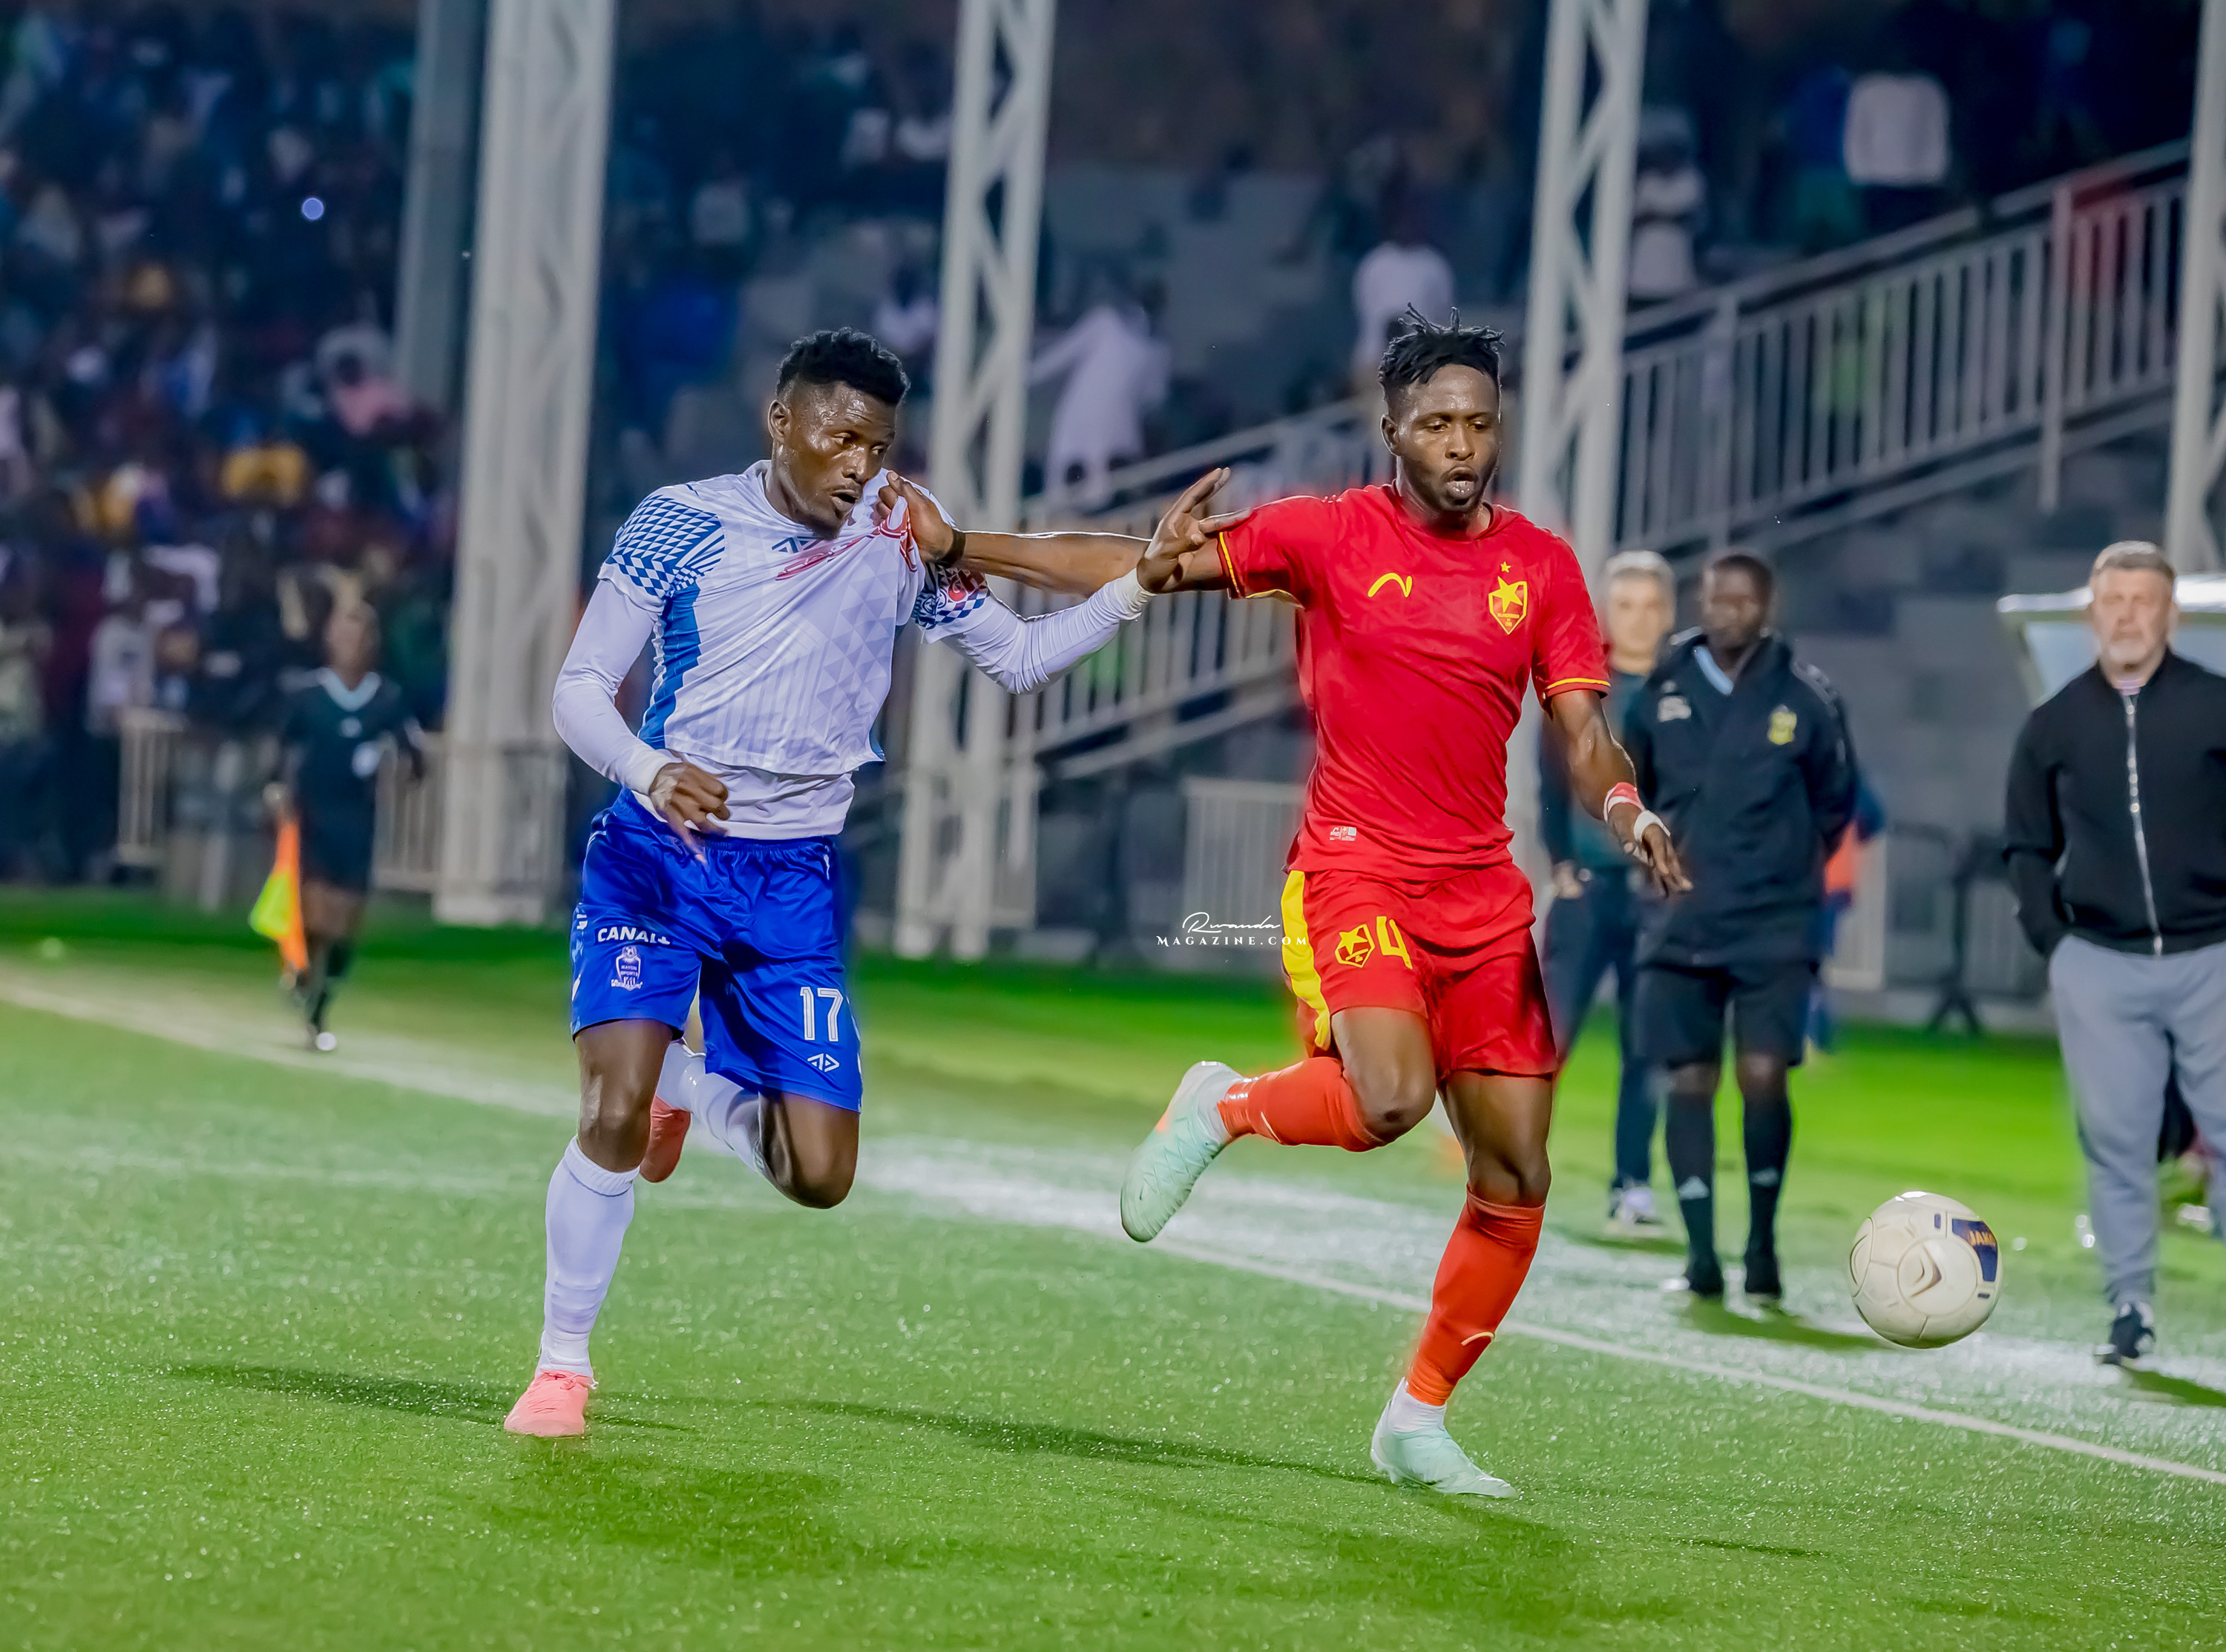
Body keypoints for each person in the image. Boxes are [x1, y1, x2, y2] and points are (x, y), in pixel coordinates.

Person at [504, 328, 1218, 1438]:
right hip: (659, 853)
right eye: (840, 438)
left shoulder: (897, 530)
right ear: (780, 422)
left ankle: (693, 1087)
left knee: (820, 1173)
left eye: (877, 445)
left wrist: (1133, 589)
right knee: (609, 1107)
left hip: (792, 878)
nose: (858, 464)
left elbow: (1021, 658)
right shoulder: (679, 521)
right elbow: (580, 688)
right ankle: (562, 1367)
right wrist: (649, 769)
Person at [1115, 313, 1687, 1499]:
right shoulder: (1327, 534)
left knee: (1517, 1173)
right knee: (1388, 1096)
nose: (1462, 442)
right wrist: (967, 547)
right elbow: (1143, 566)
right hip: (1357, 865)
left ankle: (1415, 1419)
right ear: (1391, 430)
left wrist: (1628, 807)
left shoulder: (1541, 566)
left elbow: (1583, 734)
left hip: (1483, 892)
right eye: (1437, 423)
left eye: (1480, 421)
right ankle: (1225, 1103)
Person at [2003, 542, 2226, 1366]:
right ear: (2092, 612)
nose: (2128, 615)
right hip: (2098, 961)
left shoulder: (2216, 706)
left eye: (2144, 600)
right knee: (2117, 1143)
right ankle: (2130, 1307)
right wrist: (2056, 944)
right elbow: (2026, 845)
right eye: (2113, 600)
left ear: (2172, 614)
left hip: (2213, 955)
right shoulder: (2054, 723)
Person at [1624, 553, 1856, 1303]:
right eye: (1718, 598)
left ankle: (1762, 1244)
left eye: (1744, 600)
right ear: (1702, 600)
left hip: (1773, 922)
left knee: (1762, 1076)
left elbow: (1835, 800)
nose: (1728, 611)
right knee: (1688, 1077)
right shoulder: (1663, 687)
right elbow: (1631, 785)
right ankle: (1701, 1255)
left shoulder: (1808, 696)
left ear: (1767, 607)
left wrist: (1781, 864)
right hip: (1680, 917)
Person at [1540, 549, 1675, 1232]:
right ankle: (1509, 1170)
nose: (1639, 618)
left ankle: (1632, 1185)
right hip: (1587, 892)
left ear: (1669, 613)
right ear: (1606, 612)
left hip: (1654, 900)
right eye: (1625, 605)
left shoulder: (1686, 692)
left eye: (1651, 606)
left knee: (1645, 1049)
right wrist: (1561, 861)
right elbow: (1550, 777)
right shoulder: (1580, 683)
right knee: (1545, 1039)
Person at [276, 601, 424, 1051]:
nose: (348, 644)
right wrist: (277, 789)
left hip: (358, 820)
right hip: (315, 814)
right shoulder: (309, 695)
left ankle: (318, 997)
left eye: (357, 636)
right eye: (341, 634)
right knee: (318, 911)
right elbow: (284, 747)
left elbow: (415, 756)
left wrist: (396, 772)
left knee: (347, 924)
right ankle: (307, 988)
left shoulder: (385, 699)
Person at [1028, 293, 1171, 504]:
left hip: (1112, 426)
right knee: (1067, 482)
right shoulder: (1107, 324)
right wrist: (1026, 376)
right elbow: (1063, 354)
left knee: (1104, 487)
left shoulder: (1156, 350)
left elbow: (1154, 398)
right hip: (1084, 418)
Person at [1348, 211, 1454, 395]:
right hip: (1374, 367)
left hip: (1423, 367)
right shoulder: (1374, 264)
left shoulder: (1434, 266)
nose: (1407, 224)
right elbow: (1366, 320)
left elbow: (1443, 319)